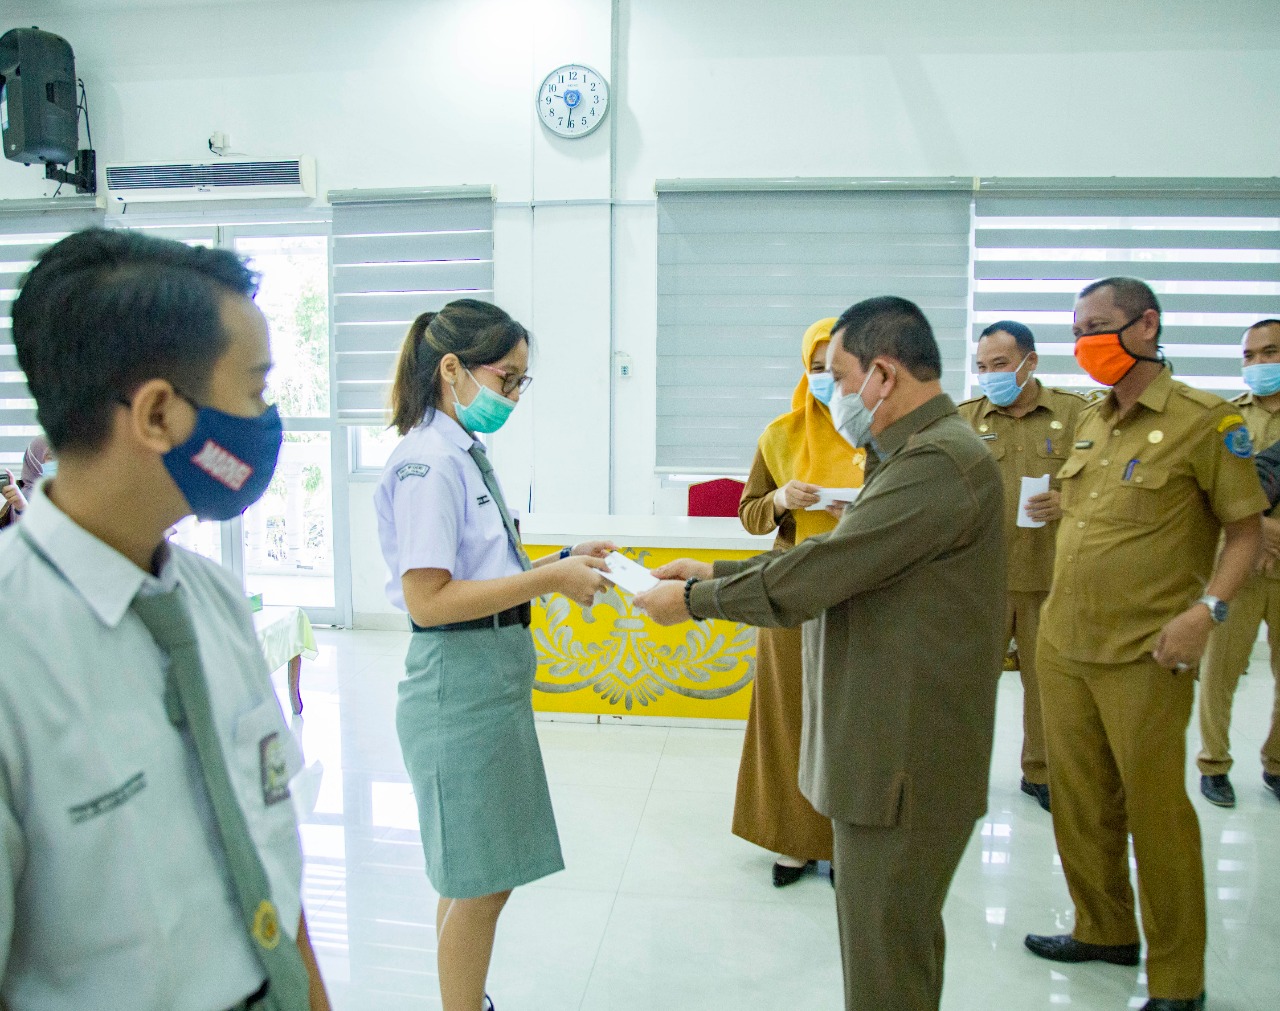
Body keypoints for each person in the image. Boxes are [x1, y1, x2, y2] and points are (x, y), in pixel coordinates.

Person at [636, 296, 1005, 1011]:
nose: (831, 393)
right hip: (890, 742)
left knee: (884, 963)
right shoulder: (913, 456)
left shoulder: (936, 466)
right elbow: (834, 556)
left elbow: (823, 574)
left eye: (838, 375)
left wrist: (692, 602)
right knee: (890, 945)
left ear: (883, 374)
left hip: (902, 756)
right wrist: (711, 573)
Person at [0, 229, 330, 1010]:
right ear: (157, 414)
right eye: (252, 391)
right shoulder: (15, 651)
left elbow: (268, 850)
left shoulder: (210, 601)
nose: (265, 420)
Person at [1025, 277, 1266, 1011]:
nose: (1085, 341)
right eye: (1077, 329)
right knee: (1080, 800)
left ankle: (1177, 978)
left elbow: (1246, 530)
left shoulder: (1206, 419)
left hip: (1146, 651)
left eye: (1099, 325)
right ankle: (1103, 928)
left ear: (1146, 324)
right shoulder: (1092, 422)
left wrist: (1209, 610)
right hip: (1065, 642)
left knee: (1156, 813)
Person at [374, 300, 614, 1011]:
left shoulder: (460, 454)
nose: (512, 396)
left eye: (520, 384)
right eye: (507, 378)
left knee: (472, 873)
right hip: (458, 682)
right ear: (451, 369)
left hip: (486, 679)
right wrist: (548, 578)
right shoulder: (428, 463)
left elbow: (477, 569)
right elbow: (430, 600)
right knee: (480, 880)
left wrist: (561, 560)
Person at [734, 317, 866, 887]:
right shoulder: (780, 435)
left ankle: (844, 843)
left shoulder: (876, 431)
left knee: (849, 720)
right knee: (788, 718)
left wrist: (858, 512)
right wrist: (781, 500)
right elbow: (749, 513)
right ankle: (791, 840)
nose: (823, 381)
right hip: (788, 592)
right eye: (814, 370)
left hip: (861, 592)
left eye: (834, 371)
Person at [958, 321, 1089, 812]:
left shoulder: (1076, 415)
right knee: (967, 686)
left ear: (1030, 362)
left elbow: (1102, 485)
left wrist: (1066, 500)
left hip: (1048, 577)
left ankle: (1042, 772)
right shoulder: (963, 420)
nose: (990, 375)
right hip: (979, 582)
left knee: (1047, 686)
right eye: (982, 367)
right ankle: (960, 774)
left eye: (1001, 365)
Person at [1197, 318, 1280, 807]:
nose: (1258, 364)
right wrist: (1263, 530)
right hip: (1240, 566)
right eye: (1249, 356)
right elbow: (1210, 490)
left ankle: (1276, 764)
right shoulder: (1226, 417)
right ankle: (1214, 763)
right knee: (1220, 671)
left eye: (1268, 353)